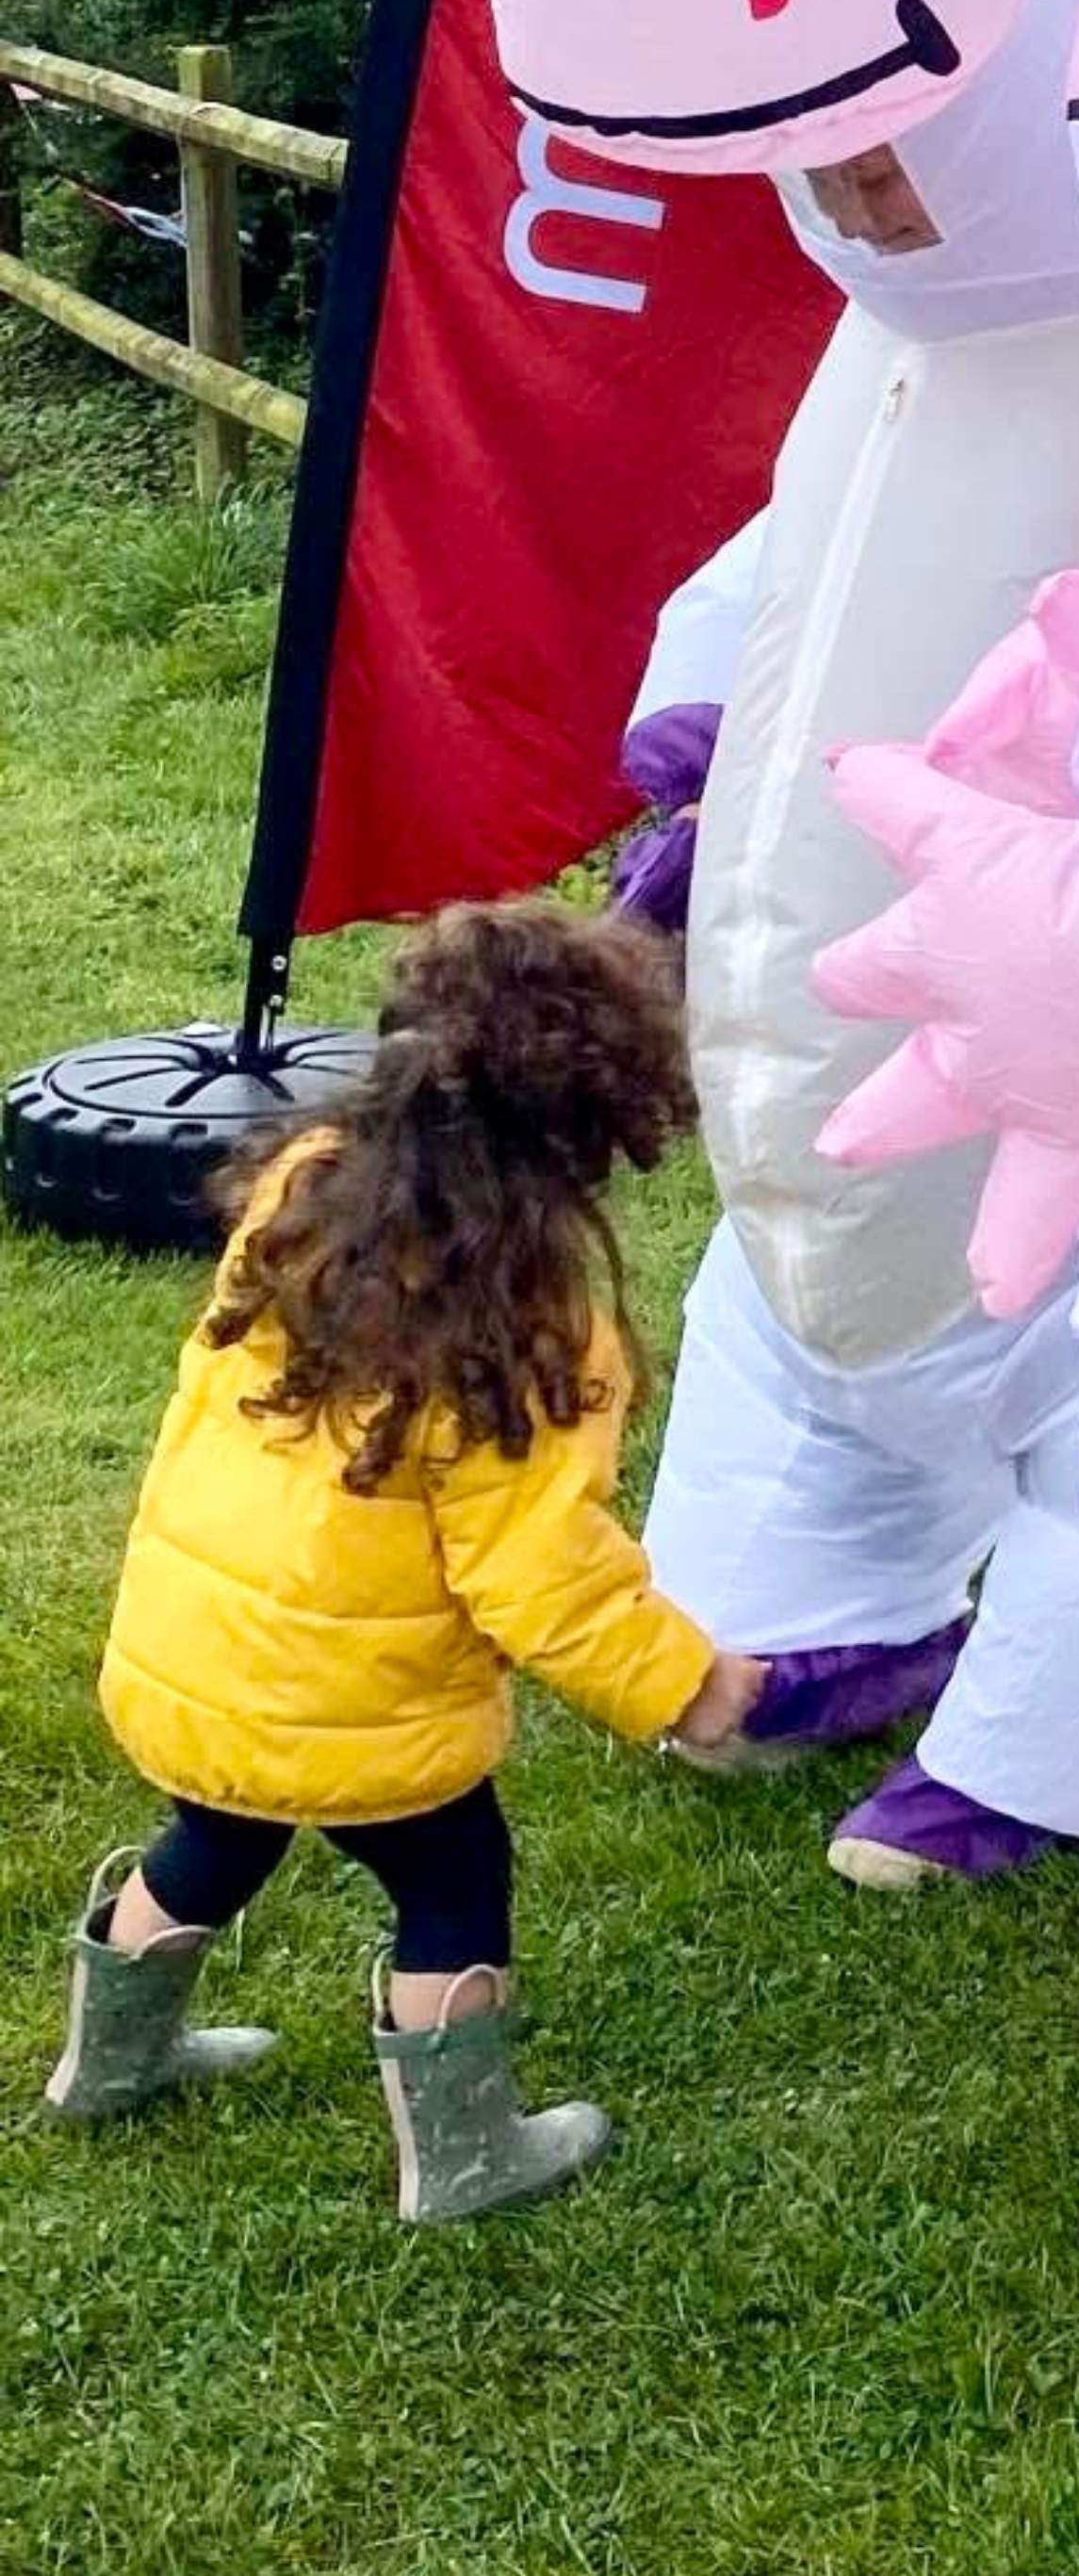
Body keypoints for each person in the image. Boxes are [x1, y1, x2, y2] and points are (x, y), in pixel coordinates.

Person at [41, 897, 763, 2220]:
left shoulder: (306, 1187)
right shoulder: (530, 1332)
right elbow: (542, 1577)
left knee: (218, 1832)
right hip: (355, 1701)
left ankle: (110, 2065)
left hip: (201, 1648)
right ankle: (467, 2153)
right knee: (450, 1876)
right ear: (589, 1133)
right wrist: (689, 1684)